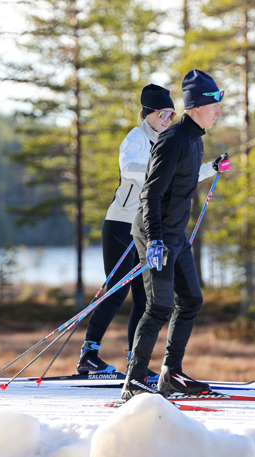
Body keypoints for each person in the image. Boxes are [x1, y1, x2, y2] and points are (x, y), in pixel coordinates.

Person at [76, 83, 222, 376]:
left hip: (149, 225)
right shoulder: (136, 138)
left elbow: (184, 175)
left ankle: (135, 361)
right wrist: (158, 173)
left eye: (171, 115)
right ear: (150, 115)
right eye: (165, 115)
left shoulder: (167, 140)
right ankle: (89, 354)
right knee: (116, 289)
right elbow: (130, 168)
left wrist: (212, 168)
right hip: (123, 222)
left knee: (144, 298)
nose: (169, 120)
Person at [122, 69, 228, 400]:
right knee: (159, 306)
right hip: (155, 233)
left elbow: (184, 180)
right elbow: (150, 194)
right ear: (197, 106)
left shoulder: (195, 140)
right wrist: (154, 240)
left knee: (192, 299)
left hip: (176, 235)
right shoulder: (173, 141)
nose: (219, 112)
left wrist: (213, 168)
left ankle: (171, 374)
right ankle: (135, 381)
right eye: (215, 105)